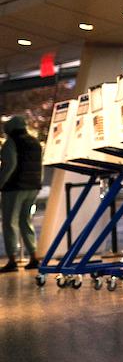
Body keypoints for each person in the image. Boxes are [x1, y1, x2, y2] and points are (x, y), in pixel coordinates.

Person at [0, 115, 43, 271]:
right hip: (32, 187)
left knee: (9, 222)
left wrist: (1, 182)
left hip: (14, 188)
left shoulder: (11, 142)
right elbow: (40, 166)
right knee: (26, 221)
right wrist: (38, 183)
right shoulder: (35, 142)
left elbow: (9, 164)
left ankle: (12, 259)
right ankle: (34, 256)